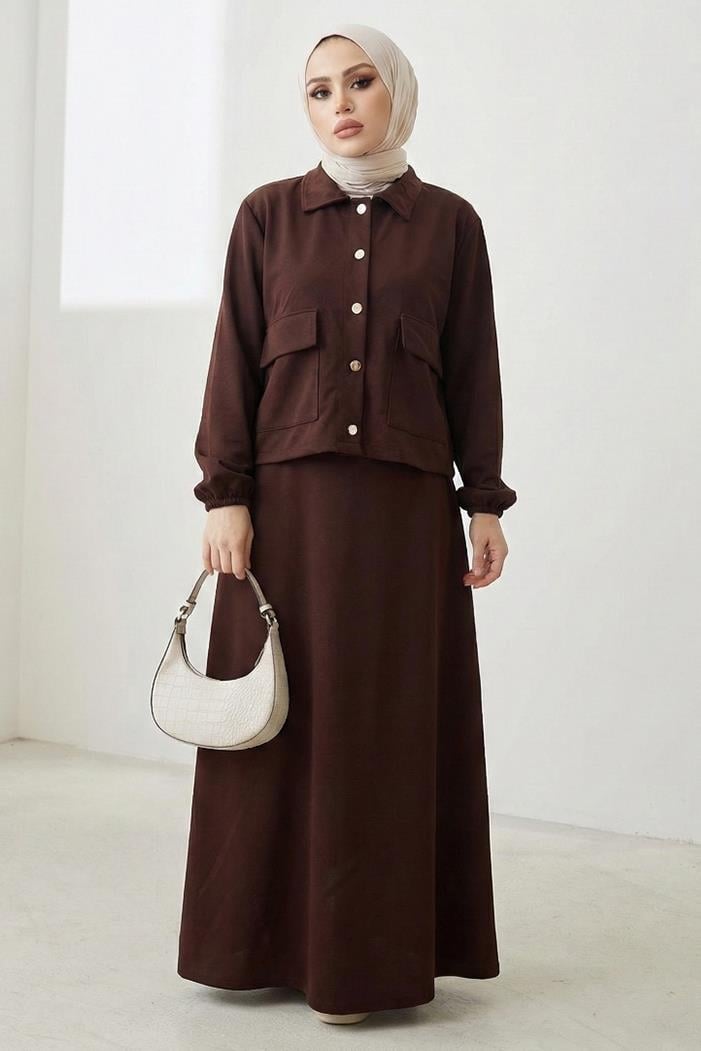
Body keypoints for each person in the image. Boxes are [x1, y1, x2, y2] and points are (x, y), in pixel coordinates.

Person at [176, 23, 518, 1026]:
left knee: (383, 731)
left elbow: (473, 370)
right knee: (276, 722)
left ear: (394, 91)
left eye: (359, 82)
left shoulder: (449, 225)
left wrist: (484, 500)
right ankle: (259, 945)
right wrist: (224, 493)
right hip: (285, 521)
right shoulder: (266, 217)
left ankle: (366, 962)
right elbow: (233, 358)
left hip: (404, 524)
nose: (340, 104)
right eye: (319, 89)